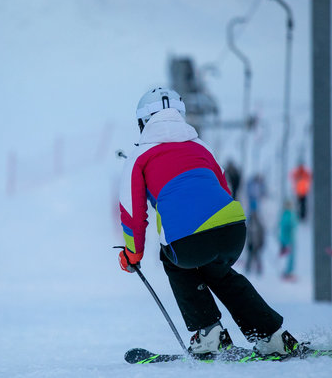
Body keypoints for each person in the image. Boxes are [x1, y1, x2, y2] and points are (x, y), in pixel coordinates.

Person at [117, 87, 299, 356]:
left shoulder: (139, 156)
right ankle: (272, 336)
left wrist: (133, 254)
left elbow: (133, 213)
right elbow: (222, 188)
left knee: (175, 261)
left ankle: (209, 334)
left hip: (188, 239)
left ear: (143, 122)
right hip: (232, 229)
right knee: (220, 273)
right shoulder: (201, 146)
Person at [244, 174, 267, 275]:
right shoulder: (249, 223)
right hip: (251, 243)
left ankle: (258, 270)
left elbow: (262, 233)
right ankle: (248, 269)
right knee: (250, 256)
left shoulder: (259, 224)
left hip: (256, 244)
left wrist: (261, 243)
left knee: (256, 256)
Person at [278, 200, 299, 281]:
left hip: (287, 239)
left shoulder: (286, 214)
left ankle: (288, 272)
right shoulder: (288, 215)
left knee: (289, 257)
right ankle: (287, 273)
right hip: (289, 239)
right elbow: (288, 227)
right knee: (290, 257)